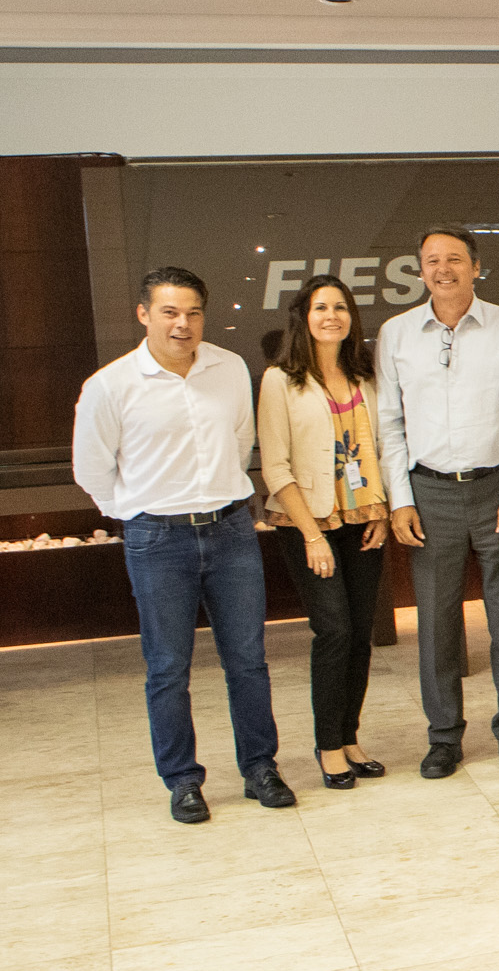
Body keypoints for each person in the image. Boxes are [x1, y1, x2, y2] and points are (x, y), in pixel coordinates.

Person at [77, 266, 291, 823]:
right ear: (144, 314)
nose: (183, 324)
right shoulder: (110, 385)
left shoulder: (229, 367)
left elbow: (241, 439)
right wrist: (138, 511)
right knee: (168, 667)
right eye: (170, 312)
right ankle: (182, 780)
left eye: (193, 313)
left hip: (231, 531)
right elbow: (92, 469)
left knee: (248, 660)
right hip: (157, 539)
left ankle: (260, 768)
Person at [375, 226, 499, 778]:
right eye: (432, 261)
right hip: (429, 492)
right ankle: (443, 736)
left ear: (475, 266)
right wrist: (401, 500)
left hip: (497, 488)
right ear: (420, 270)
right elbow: (389, 423)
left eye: (455, 259)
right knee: (436, 623)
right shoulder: (396, 333)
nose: (443, 269)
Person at [258, 273, 391, 789]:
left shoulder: (365, 375)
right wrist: (313, 536)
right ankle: (328, 745)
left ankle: (350, 737)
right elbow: (275, 466)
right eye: (320, 307)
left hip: (363, 519)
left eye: (340, 307)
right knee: (334, 630)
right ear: (303, 317)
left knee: (359, 633)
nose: (331, 316)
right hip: (308, 523)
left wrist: (380, 511)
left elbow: (381, 448)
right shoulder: (280, 380)